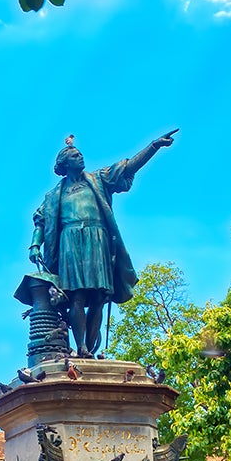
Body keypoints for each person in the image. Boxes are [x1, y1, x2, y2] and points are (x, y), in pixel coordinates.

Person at [29, 130, 177, 357]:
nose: (81, 157)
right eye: (75, 156)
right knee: (77, 295)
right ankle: (82, 347)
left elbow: (127, 167)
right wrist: (35, 245)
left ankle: (88, 347)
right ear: (64, 164)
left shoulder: (98, 179)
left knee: (100, 296)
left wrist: (153, 146)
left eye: (80, 155)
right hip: (70, 242)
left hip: (97, 239)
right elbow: (41, 221)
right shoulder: (53, 196)